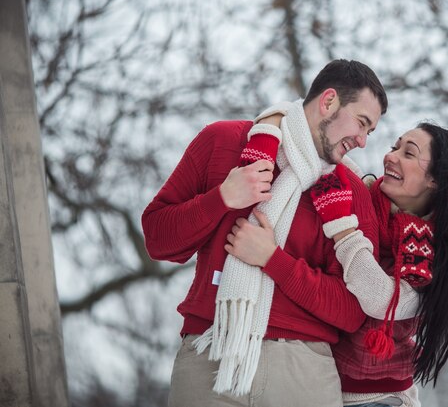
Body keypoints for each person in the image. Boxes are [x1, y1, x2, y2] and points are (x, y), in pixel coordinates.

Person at [141, 59, 388, 407]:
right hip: (210, 355)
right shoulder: (224, 142)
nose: (362, 141)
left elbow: (351, 312)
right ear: (328, 101)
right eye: (362, 123)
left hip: (302, 373)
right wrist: (222, 199)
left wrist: (273, 260)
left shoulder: (350, 195)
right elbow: (157, 238)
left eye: (370, 132)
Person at [226, 122, 448, 407]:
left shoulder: (434, 255)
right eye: (394, 147)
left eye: (408, 153)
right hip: (321, 386)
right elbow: (323, 153)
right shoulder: (364, 197)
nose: (391, 156)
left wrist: (343, 230)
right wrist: (275, 123)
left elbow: (381, 299)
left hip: (378, 398)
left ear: (435, 180)